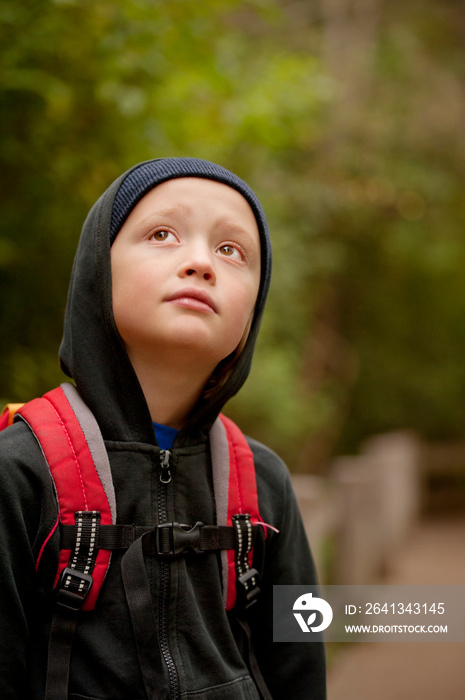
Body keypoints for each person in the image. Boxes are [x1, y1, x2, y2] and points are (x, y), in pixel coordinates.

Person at [0, 157, 326, 699]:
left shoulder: (263, 482)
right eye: (162, 234)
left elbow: (300, 669)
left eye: (231, 250)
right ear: (96, 272)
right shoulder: (19, 471)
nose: (201, 262)